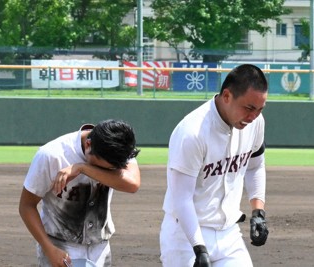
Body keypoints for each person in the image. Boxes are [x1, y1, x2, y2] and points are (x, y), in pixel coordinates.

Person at [160, 64, 269, 267]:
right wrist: (199, 247)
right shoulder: (192, 133)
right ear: (227, 96)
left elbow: (255, 166)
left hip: (229, 233)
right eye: (249, 108)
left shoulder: (255, 123)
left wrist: (258, 212)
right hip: (186, 235)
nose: (253, 116)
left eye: (260, 109)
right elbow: (181, 198)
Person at [19, 119, 141, 267]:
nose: (101, 172)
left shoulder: (119, 146)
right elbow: (27, 206)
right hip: (59, 247)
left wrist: (83, 168)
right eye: (98, 166)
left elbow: (133, 184)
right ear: (88, 144)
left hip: (100, 249)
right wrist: (49, 248)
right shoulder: (52, 155)